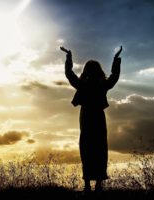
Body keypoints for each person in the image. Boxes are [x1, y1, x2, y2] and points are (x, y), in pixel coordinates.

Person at [60, 46, 122, 192]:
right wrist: (116, 59)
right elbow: (114, 76)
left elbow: (69, 74)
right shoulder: (102, 85)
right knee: (100, 148)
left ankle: (87, 184)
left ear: (86, 70)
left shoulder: (83, 85)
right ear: (98, 70)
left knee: (87, 148)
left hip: (87, 117)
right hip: (98, 117)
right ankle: (98, 184)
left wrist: (69, 58)